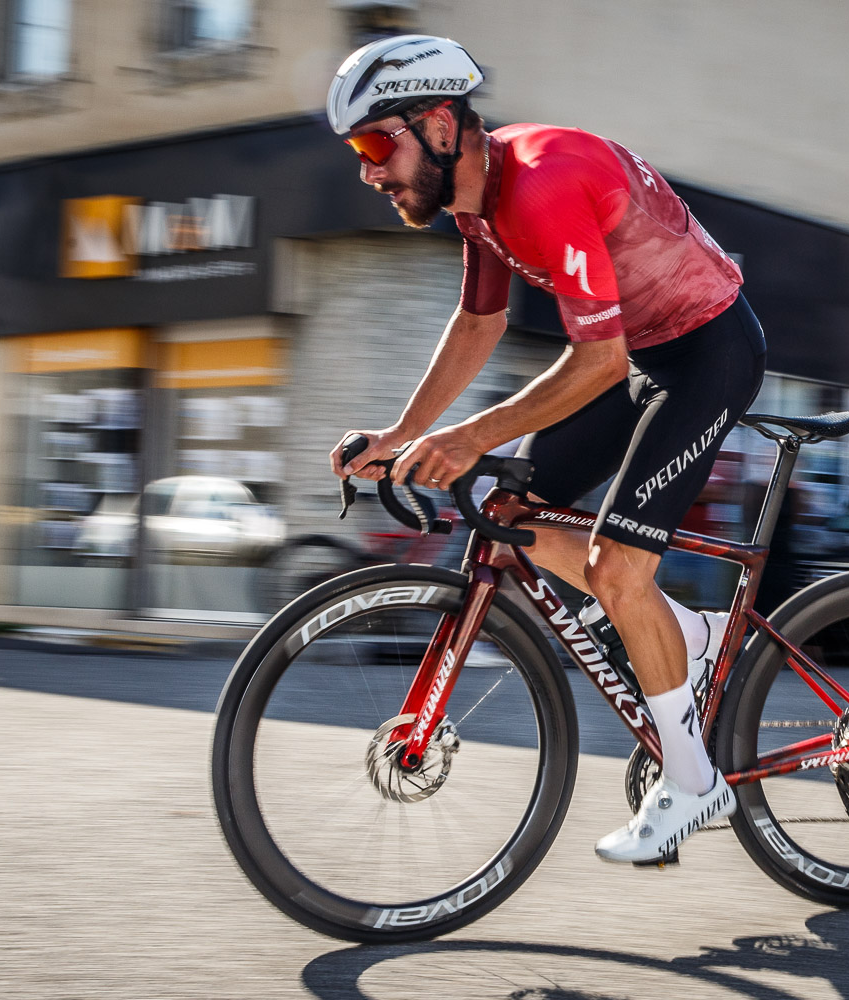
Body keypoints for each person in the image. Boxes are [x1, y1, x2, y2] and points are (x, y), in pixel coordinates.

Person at [325, 35, 765, 864]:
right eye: (358, 154)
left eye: (377, 145)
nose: (369, 172)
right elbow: (478, 324)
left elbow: (596, 362)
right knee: (512, 512)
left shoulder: (540, 184)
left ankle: (692, 781)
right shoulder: (477, 205)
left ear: (441, 125)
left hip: (709, 352)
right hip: (641, 356)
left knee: (617, 569)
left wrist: (468, 436)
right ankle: (686, 635)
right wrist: (403, 434)